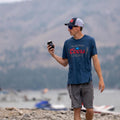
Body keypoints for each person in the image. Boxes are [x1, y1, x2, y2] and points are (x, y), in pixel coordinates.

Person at [47, 17, 105, 120]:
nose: (68, 29)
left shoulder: (90, 41)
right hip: (73, 81)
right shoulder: (67, 43)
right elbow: (65, 63)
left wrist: (101, 78)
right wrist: (53, 55)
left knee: (90, 110)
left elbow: (95, 60)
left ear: (78, 28)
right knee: (77, 110)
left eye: (70, 27)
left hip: (87, 80)